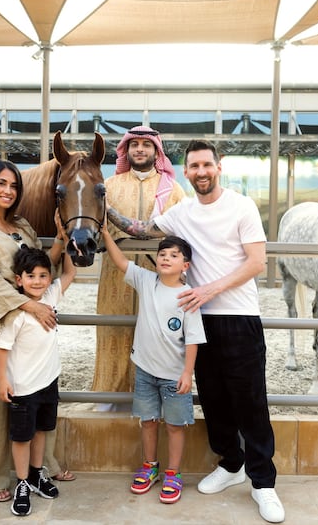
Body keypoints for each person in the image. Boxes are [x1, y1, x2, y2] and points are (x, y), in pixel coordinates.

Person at [107, 139, 285, 523]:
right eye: (194, 167)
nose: (201, 172)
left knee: (250, 401)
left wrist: (209, 289)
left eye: (207, 165)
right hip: (197, 322)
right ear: (185, 172)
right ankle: (230, 463)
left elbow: (257, 262)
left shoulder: (242, 206)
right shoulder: (182, 211)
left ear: (219, 167)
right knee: (216, 400)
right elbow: (139, 229)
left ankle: (263, 483)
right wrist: (98, 207)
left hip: (238, 317)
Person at [0, 159, 66, 502]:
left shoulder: (21, 226)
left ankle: (39, 468)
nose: (8, 191)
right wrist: (29, 305)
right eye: (1, 183)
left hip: (30, 328)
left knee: (34, 395)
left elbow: (39, 264)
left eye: (14, 186)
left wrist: (61, 241)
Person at [100, 225, 206, 504]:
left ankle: (174, 472)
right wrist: (106, 234)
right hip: (145, 371)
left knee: (174, 425)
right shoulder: (147, 281)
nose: (166, 258)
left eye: (174, 255)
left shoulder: (188, 296)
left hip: (174, 375)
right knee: (147, 421)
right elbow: (121, 261)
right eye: (162, 253)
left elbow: (193, 339)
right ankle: (150, 467)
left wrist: (187, 373)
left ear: (186, 265)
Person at [93, 126, 186, 399]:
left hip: (158, 278)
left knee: (156, 335)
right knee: (113, 331)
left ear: (156, 151)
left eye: (146, 145)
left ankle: (151, 397)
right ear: (126, 150)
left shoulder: (174, 190)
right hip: (115, 277)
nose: (140, 149)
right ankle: (108, 397)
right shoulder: (109, 187)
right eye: (134, 145)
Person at [0, 243, 76, 516]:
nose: (38, 281)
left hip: (49, 382)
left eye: (43, 275)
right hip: (22, 387)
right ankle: (21, 483)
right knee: (22, 437)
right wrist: (1, 381)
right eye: (31, 276)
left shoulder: (52, 296)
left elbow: (69, 273)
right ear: (19, 280)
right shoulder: (17, 313)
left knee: (42, 430)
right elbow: (2, 348)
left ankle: (35, 474)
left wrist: (68, 244)